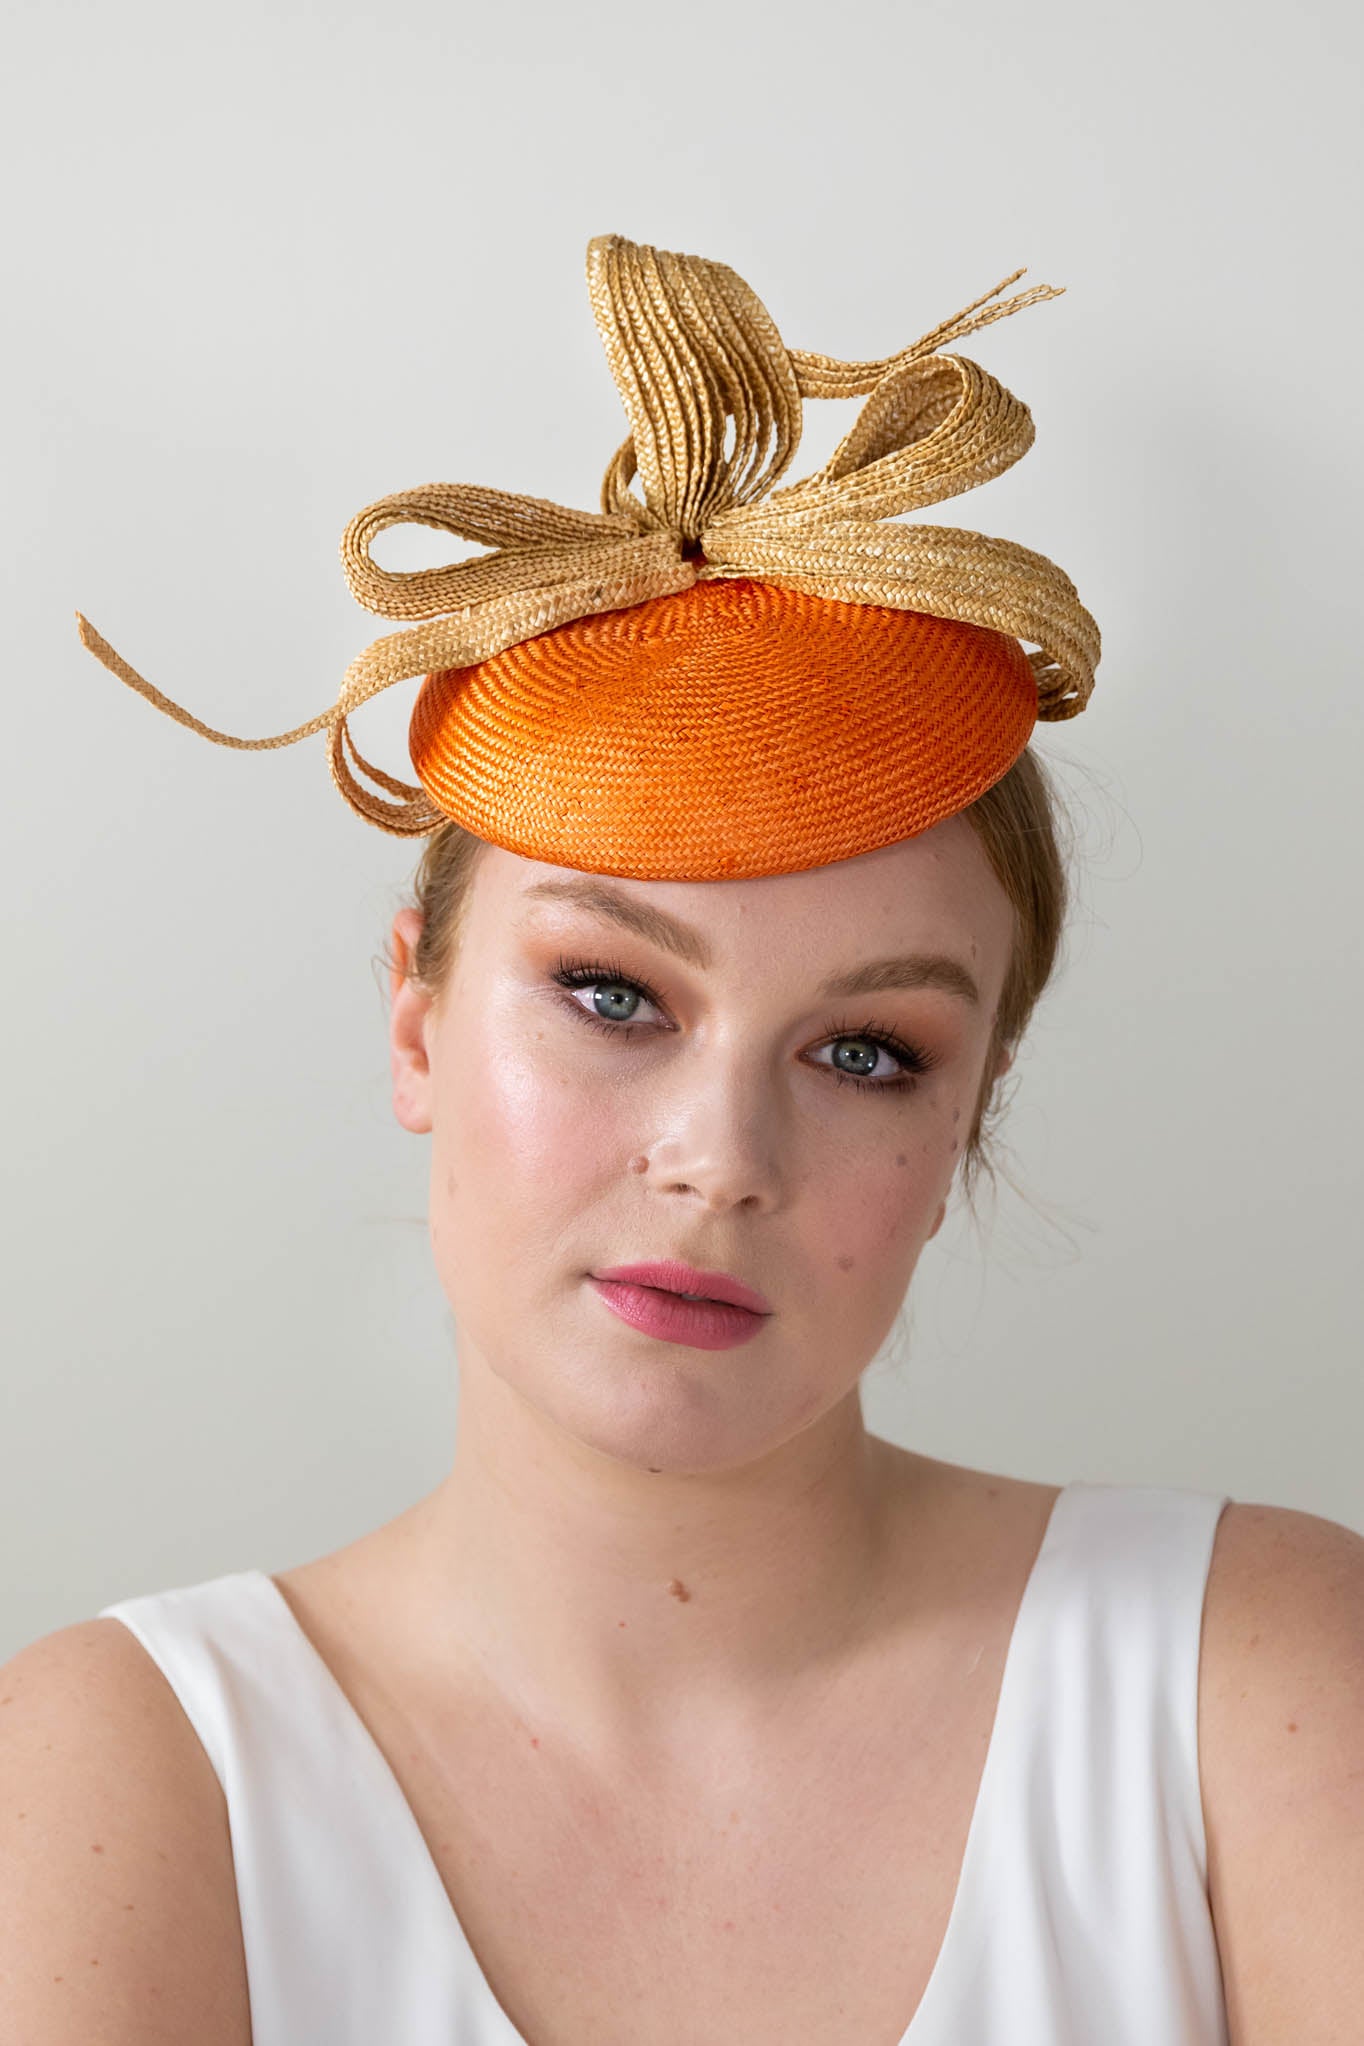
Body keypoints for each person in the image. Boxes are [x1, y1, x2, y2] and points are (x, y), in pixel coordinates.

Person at [4, 235, 1360, 2044]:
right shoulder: (129, 1769)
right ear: (416, 1013)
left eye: (868, 1050)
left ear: (970, 1117)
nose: (722, 1158)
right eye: (615, 995)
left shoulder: (1254, 1677)